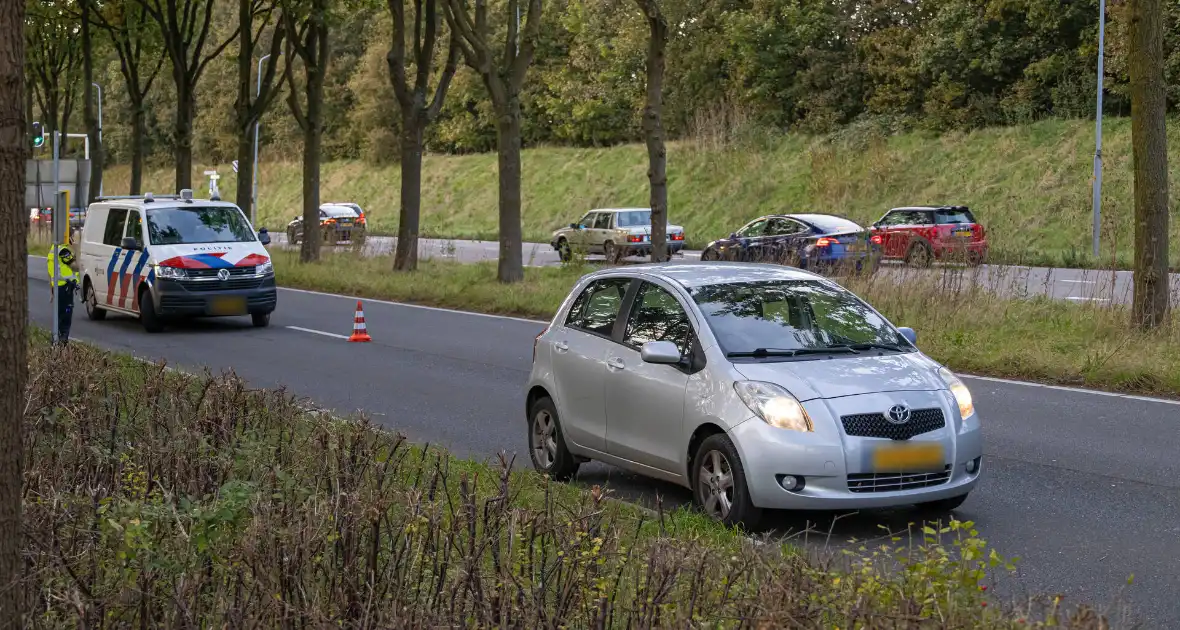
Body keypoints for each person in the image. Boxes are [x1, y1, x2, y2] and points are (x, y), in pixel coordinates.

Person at [47, 244, 79, 345]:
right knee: (66, 313)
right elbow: (76, 267)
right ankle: (61, 340)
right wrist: (77, 250)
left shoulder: (53, 249)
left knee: (59, 314)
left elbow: (50, 273)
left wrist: (51, 291)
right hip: (65, 287)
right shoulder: (63, 251)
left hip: (57, 288)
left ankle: (56, 340)